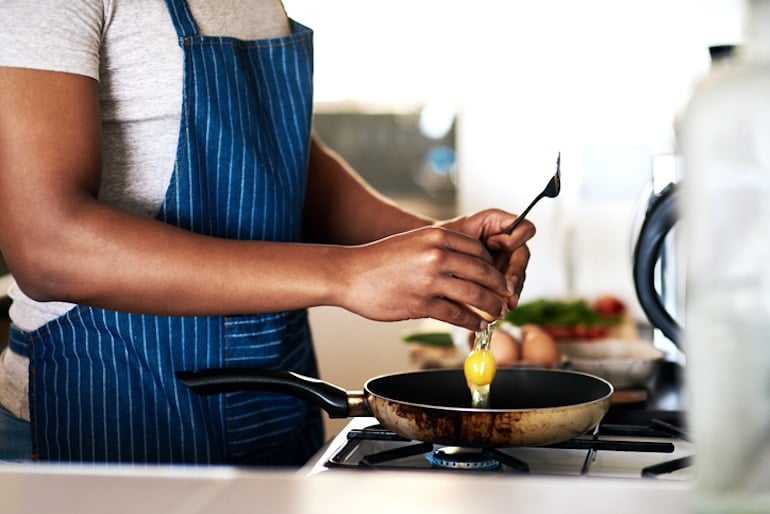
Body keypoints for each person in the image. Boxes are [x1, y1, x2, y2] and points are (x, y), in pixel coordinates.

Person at [0, 0, 534, 466]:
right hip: (103, 418)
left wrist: (444, 247)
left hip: (274, 407)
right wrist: (346, 275)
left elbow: (288, 170)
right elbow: (47, 246)